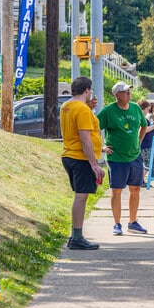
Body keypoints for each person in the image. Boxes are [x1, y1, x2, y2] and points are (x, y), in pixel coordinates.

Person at [97, 81, 149, 235]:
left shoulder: (135, 108)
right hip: (117, 158)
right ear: (117, 95)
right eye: (125, 92)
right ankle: (117, 224)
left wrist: (138, 142)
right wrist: (101, 147)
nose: (129, 94)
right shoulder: (108, 111)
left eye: (129, 91)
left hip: (135, 157)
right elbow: (93, 128)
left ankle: (132, 222)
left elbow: (144, 125)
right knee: (117, 191)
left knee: (135, 189)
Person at [60, 76, 104, 250]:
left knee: (81, 195)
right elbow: (85, 139)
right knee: (81, 196)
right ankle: (77, 237)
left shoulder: (66, 106)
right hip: (81, 157)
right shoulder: (83, 110)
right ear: (87, 90)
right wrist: (94, 164)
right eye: (90, 90)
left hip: (69, 155)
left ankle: (76, 236)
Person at [138, 99, 154, 186]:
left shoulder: (142, 117)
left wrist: (153, 124)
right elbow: (143, 130)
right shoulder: (141, 118)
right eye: (147, 109)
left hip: (147, 143)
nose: (147, 112)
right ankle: (140, 180)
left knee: (146, 163)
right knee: (148, 163)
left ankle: (141, 180)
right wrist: (153, 126)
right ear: (142, 108)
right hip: (145, 144)